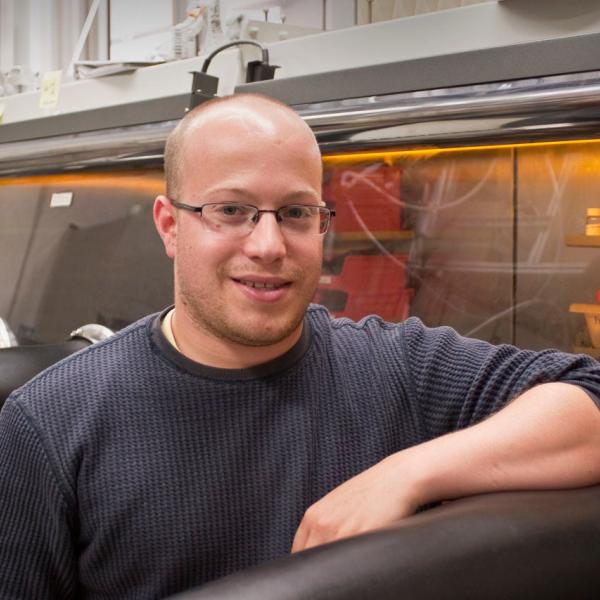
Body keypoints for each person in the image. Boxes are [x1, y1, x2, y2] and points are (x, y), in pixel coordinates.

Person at [0, 93, 599, 600]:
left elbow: (589, 396)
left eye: (294, 213)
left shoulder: (397, 368)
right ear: (170, 225)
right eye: (231, 210)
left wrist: (406, 474)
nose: (267, 244)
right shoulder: (50, 423)